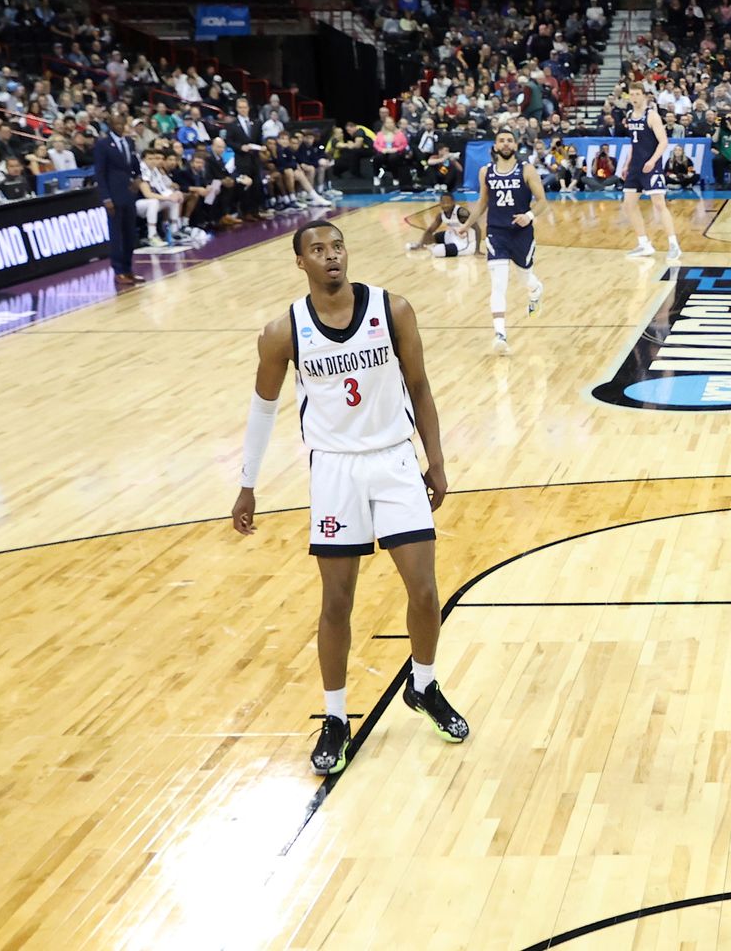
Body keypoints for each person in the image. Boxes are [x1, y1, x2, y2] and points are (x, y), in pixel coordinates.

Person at [231, 220, 468, 776]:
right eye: (317, 250)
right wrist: (248, 482)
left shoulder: (394, 310)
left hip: (393, 461)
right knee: (337, 603)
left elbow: (421, 386)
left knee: (426, 590)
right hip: (334, 471)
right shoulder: (282, 332)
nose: (331, 257)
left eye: (337, 247)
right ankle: (336, 717)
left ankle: (424, 685)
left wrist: (436, 458)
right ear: (300, 262)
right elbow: (263, 409)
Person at [461, 129, 548, 355]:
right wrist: (467, 225)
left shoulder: (526, 170)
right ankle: (500, 334)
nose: (506, 144)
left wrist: (528, 216)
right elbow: (482, 202)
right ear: (496, 146)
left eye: (510, 140)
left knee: (524, 277)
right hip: (496, 232)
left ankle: (536, 290)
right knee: (498, 284)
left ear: (515, 145)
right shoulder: (485, 172)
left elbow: (542, 202)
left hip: (521, 233)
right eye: (502, 140)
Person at [620, 86, 682, 259]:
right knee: (628, 204)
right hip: (635, 168)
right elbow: (633, 143)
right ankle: (643, 244)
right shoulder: (629, 117)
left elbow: (663, 142)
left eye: (637, 94)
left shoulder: (652, 116)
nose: (634, 97)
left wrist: (652, 161)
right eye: (632, 94)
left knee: (659, 204)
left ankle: (673, 245)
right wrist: (626, 164)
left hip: (651, 166)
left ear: (644, 97)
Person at [93, 111, 145, 285]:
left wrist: (138, 178)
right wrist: (106, 198)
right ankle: (118, 270)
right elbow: (100, 173)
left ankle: (129, 269)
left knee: (130, 233)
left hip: (129, 193)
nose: (120, 126)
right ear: (110, 125)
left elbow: (135, 165)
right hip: (113, 195)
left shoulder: (130, 142)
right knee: (117, 235)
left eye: (122, 123)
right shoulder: (103, 144)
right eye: (116, 124)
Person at [407, 190, 477, 257]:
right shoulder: (441, 215)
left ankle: (431, 248)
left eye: (448, 202)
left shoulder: (461, 212)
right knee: (433, 236)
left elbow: (477, 228)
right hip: (454, 237)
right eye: (443, 202)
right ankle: (423, 246)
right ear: (440, 203)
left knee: (437, 251)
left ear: (453, 202)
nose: (445, 205)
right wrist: (420, 244)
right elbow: (430, 230)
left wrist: (477, 249)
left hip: (466, 244)